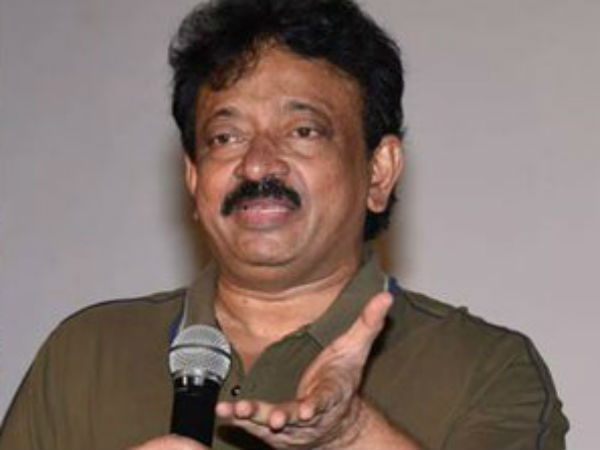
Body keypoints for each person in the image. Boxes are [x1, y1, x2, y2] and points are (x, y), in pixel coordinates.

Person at [0, 0, 569, 449]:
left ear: (378, 171)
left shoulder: (484, 367)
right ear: (194, 179)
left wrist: (352, 435)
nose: (257, 164)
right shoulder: (86, 354)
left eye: (303, 131)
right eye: (226, 137)